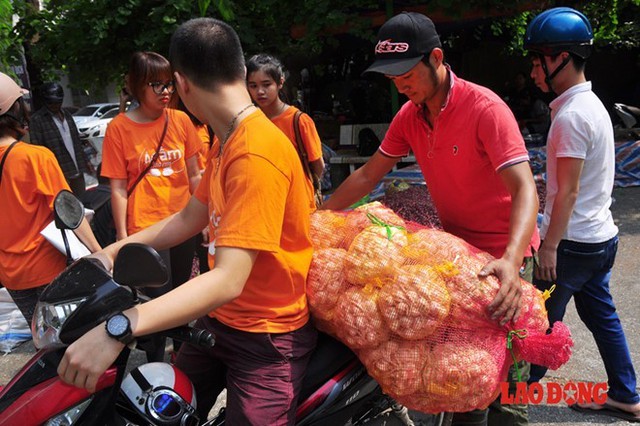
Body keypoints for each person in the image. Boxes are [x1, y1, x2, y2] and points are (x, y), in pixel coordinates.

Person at [58, 17, 317, 425]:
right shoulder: (228, 137)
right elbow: (188, 217)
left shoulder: (255, 152)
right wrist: (108, 254)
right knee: (146, 406)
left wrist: (118, 327)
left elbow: (228, 279)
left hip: (268, 335)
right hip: (220, 321)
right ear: (238, 71)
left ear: (181, 83)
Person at [321, 12, 540, 426]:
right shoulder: (410, 115)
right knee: (463, 370)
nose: (400, 84)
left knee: (507, 379)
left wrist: (512, 261)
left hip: (502, 255)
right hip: (455, 255)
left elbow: (525, 188)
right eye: (391, 77)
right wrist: (318, 216)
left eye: (405, 73)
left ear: (436, 58)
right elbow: (369, 174)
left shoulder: (485, 108)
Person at [524, 7, 640, 422]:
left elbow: (569, 190)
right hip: (600, 239)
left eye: (539, 60)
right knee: (600, 316)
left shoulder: (571, 117)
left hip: (571, 247)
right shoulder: (591, 105)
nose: (534, 70)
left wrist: (549, 247)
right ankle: (627, 395)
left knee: (535, 320)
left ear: (563, 58)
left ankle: (513, 396)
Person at [100, 51, 202, 361]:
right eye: (155, 84)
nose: (166, 91)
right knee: (152, 302)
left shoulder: (181, 120)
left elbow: (196, 173)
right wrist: (122, 237)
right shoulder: (119, 128)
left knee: (183, 298)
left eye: (169, 83)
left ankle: (182, 360)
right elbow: (117, 188)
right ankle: (155, 362)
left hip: (184, 223)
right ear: (136, 86)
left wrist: (207, 219)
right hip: (145, 229)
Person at [0, 72, 101, 325]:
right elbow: (70, 213)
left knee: (43, 338)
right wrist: (99, 253)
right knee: (70, 337)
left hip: (10, 275)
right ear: (13, 109)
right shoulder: (34, 157)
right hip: (48, 268)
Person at [246, 53, 324, 211]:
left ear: (280, 83)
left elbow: (317, 165)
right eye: (253, 86)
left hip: (299, 204)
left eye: (266, 84)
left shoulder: (299, 121)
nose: (260, 91)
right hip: (264, 204)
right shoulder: (249, 121)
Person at [28, 82, 92, 196]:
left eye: (58, 102)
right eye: (51, 102)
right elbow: (37, 151)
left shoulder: (67, 115)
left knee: (83, 203)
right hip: (58, 174)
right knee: (67, 208)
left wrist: (86, 161)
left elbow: (76, 141)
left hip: (77, 169)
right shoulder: (37, 120)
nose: (55, 105)